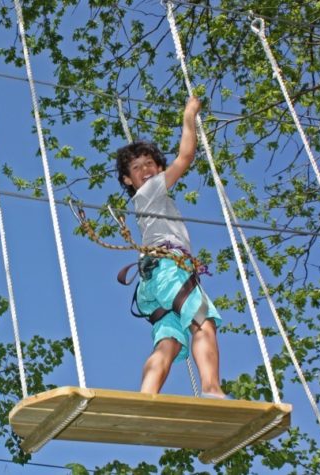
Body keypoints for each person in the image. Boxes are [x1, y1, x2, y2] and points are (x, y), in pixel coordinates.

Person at [115, 97, 226, 398]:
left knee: (169, 341)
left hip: (152, 283)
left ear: (158, 166)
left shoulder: (146, 201)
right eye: (137, 168)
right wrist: (189, 114)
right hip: (168, 270)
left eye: (150, 164)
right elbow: (186, 156)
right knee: (202, 321)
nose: (146, 170)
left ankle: (147, 395)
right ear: (129, 180)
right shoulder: (151, 191)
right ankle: (212, 389)